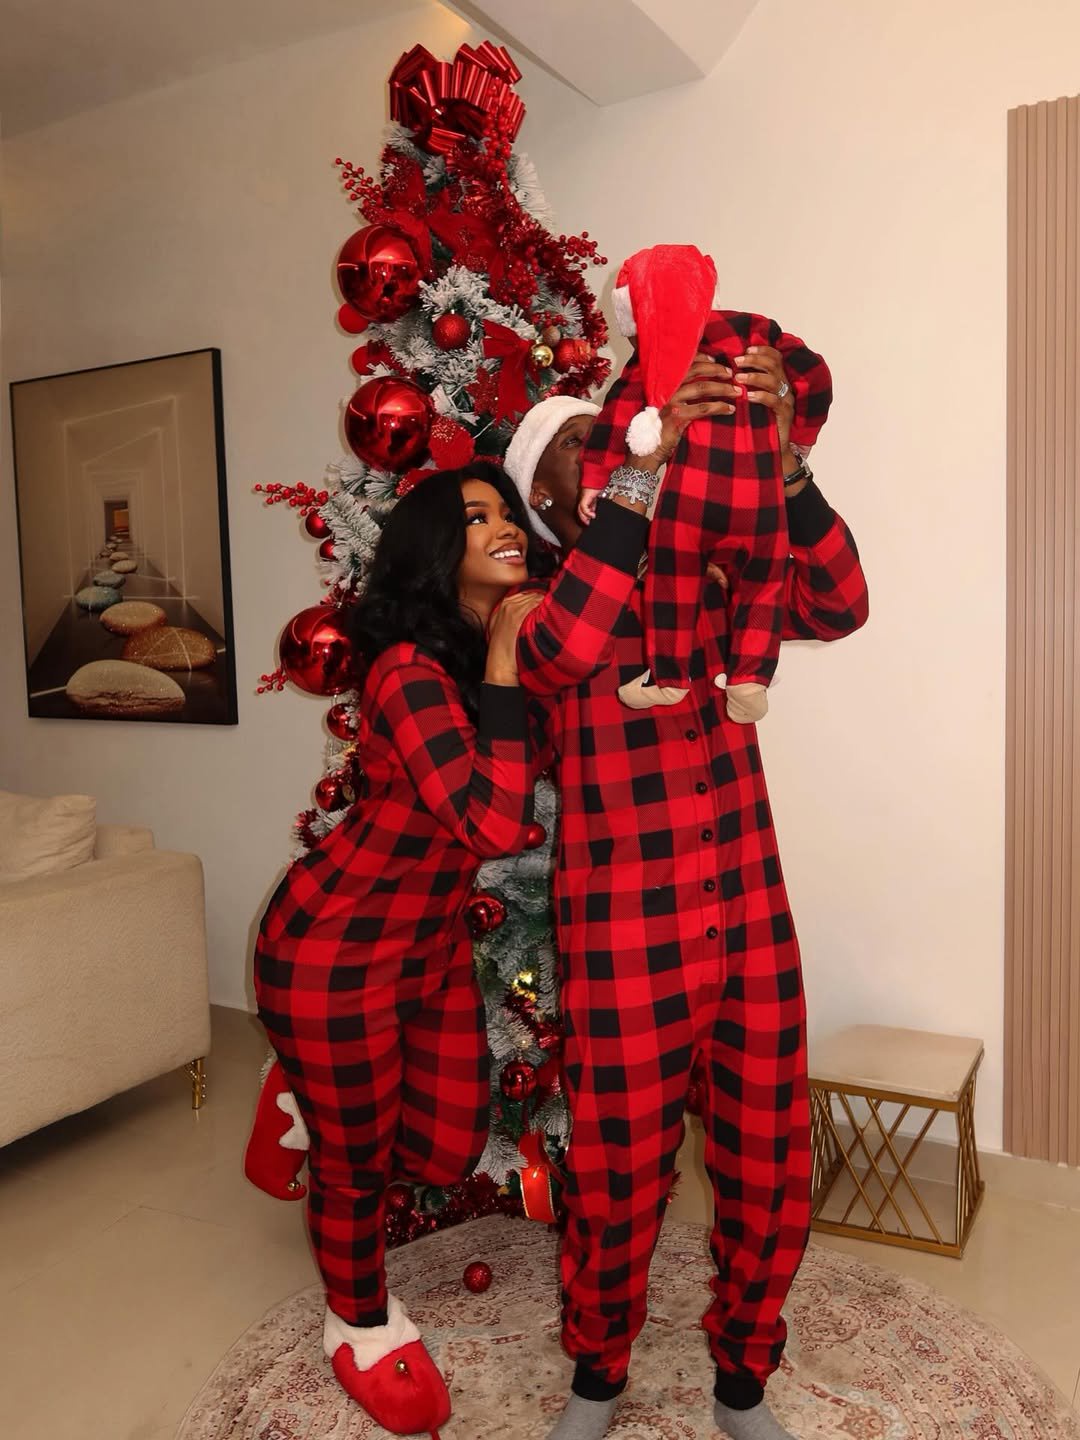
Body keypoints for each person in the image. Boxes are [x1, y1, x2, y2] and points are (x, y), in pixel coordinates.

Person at [246, 457, 671, 1437]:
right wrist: (506, 669)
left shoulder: (487, 657)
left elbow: (547, 756)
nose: (506, 527)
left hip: (423, 948)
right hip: (331, 954)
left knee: (442, 1145)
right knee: (358, 1173)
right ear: (437, 551)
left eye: (508, 513)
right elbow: (492, 825)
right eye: (476, 518)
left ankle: (307, 1099)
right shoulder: (407, 671)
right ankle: (358, 1326)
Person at [505, 357, 869, 1440]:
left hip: (750, 919)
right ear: (554, 495)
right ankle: (599, 1376)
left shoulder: (710, 585)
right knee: (616, 1180)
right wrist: (637, 479)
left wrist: (789, 463)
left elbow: (842, 602)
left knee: (768, 1161)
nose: (621, 447)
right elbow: (563, 652)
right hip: (625, 941)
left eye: (618, 434)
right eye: (591, 446)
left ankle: (743, 1378)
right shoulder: (534, 608)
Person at [576, 245, 833, 723]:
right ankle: (751, 677)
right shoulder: (759, 329)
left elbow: (616, 416)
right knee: (763, 582)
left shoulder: (656, 354)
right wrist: (801, 435)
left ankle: (669, 678)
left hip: (690, 502)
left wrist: (595, 479)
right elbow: (816, 375)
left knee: (670, 579)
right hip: (758, 502)